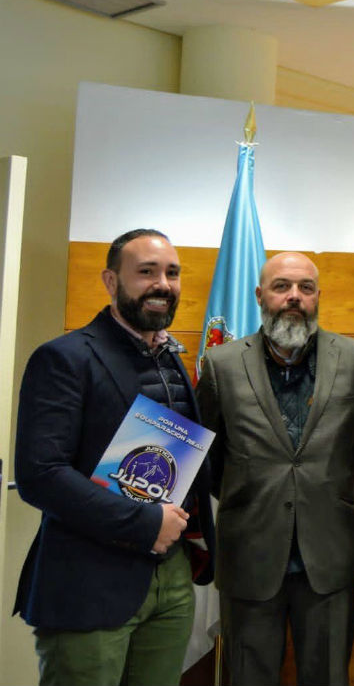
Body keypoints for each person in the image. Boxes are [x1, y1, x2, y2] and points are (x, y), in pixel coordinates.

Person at [13, 228, 215, 686]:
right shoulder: (64, 357)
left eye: (172, 273)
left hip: (172, 578)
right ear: (110, 281)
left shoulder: (171, 359)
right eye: (145, 272)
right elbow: (40, 475)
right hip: (89, 582)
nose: (162, 283)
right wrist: (146, 524)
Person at [196, 251, 354, 685]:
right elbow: (208, 457)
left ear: (318, 296)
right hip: (249, 554)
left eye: (305, 288)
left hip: (330, 554)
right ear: (260, 295)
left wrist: (333, 492)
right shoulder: (220, 365)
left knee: (329, 676)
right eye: (282, 287)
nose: (294, 297)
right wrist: (252, 492)